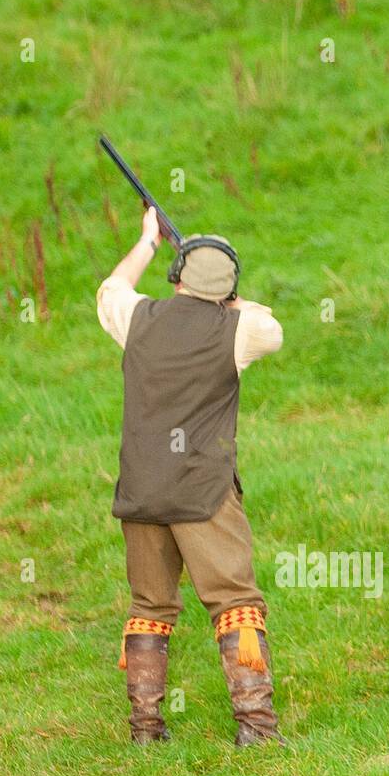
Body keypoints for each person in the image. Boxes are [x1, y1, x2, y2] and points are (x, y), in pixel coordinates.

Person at [96, 206, 284, 746]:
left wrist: (148, 241)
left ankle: (146, 731)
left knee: (149, 608)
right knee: (236, 603)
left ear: (176, 278)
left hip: (141, 489)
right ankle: (257, 729)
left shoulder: (139, 319)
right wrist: (228, 300)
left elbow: (112, 288)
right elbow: (269, 327)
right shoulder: (237, 328)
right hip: (204, 491)